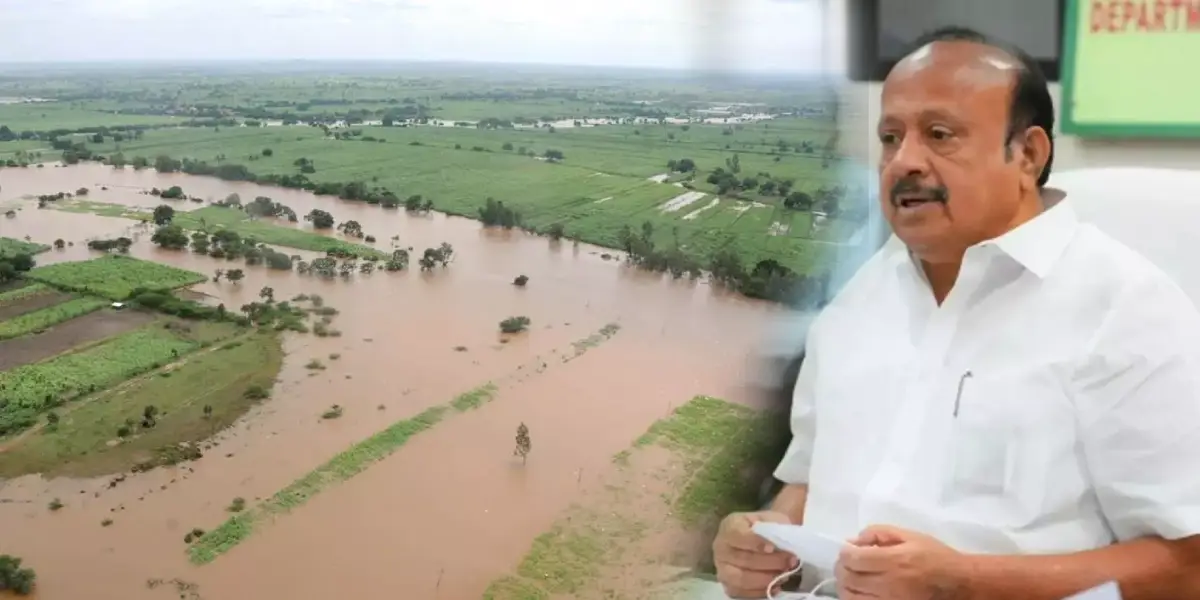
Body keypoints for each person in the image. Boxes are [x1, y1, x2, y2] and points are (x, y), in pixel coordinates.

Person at [712, 26, 1200, 600]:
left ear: (1028, 154)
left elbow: (1186, 566)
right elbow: (808, 479)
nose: (903, 161)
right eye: (890, 137)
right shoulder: (859, 300)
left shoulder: (1124, 309)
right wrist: (767, 541)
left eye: (940, 135)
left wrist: (963, 581)